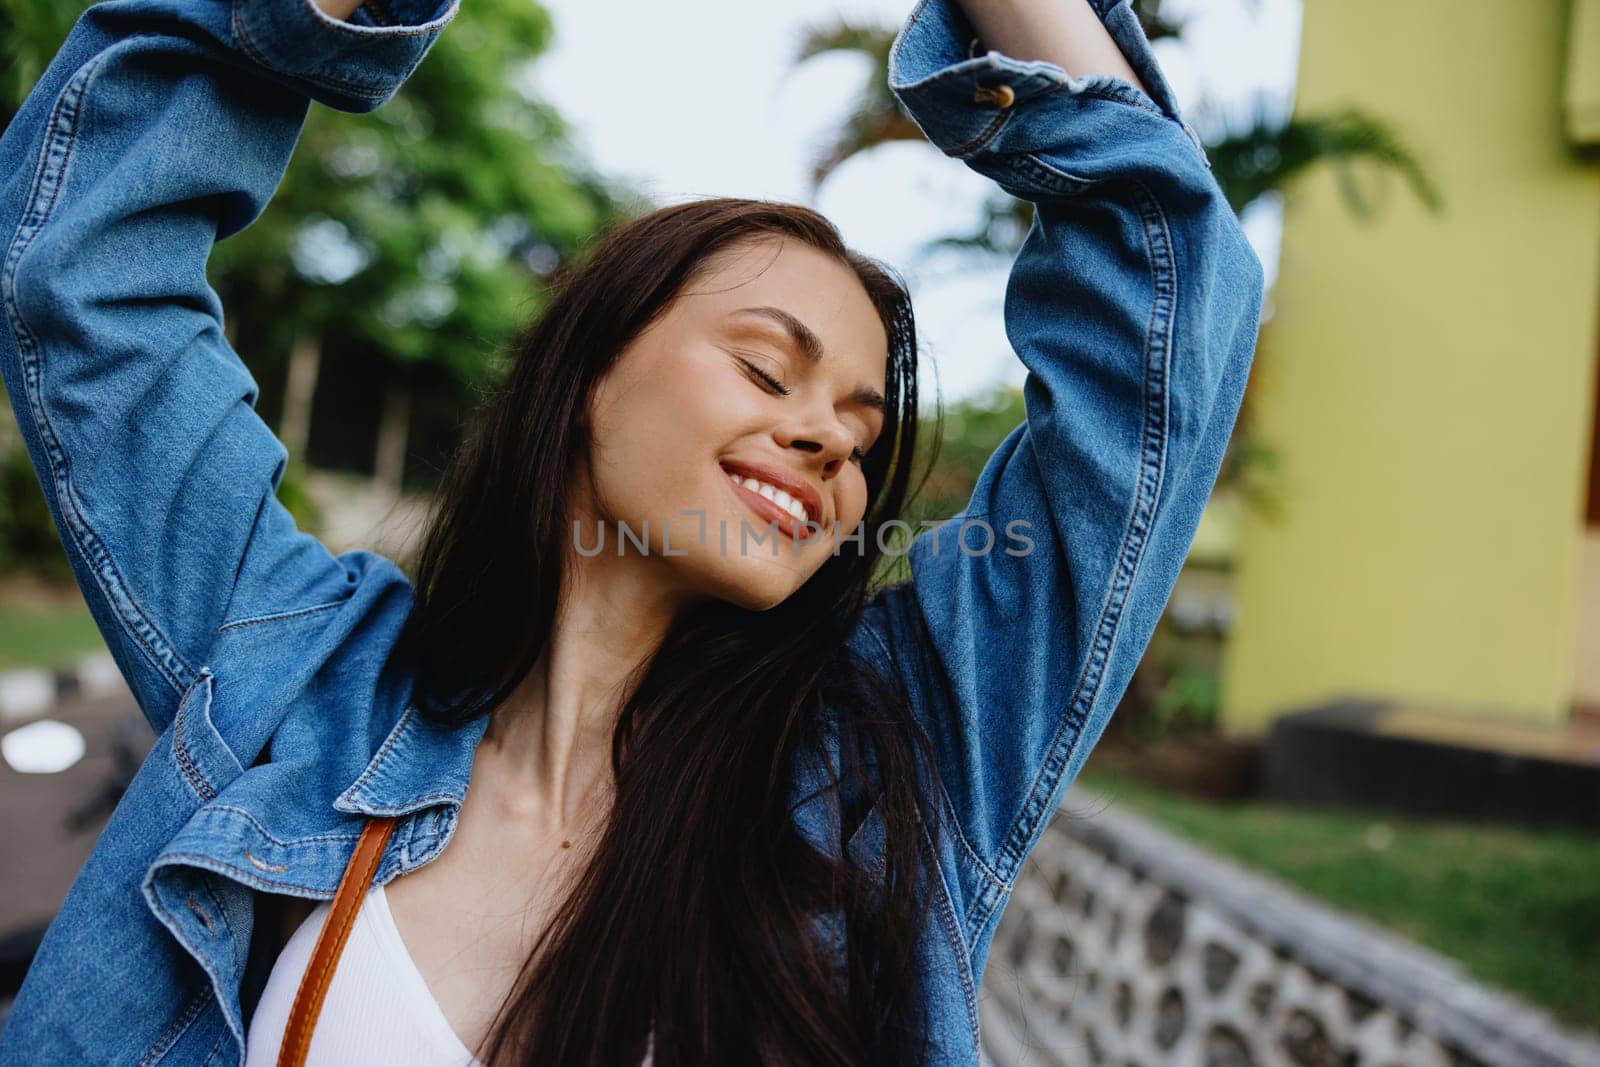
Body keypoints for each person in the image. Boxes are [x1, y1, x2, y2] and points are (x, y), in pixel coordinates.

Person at [0, 0, 1264, 1061]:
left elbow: (1162, 315)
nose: (830, 443)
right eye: (769, 374)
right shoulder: (304, 675)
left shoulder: (893, 766)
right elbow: (89, 275)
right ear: (588, 380)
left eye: (864, 435)